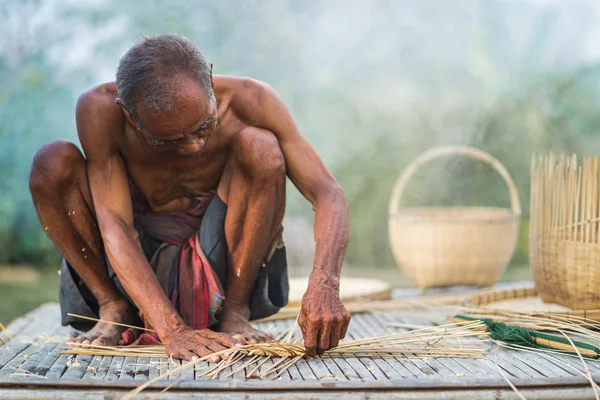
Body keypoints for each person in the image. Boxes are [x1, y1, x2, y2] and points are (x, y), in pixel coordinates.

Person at [29, 34, 351, 361]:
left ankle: (235, 313)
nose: (192, 147)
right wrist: (173, 331)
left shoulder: (252, 99)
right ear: (128, 115)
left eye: (203, 127)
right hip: (129, 264)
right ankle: (114, 307)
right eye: (166, 140)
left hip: (225, 262)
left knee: (262, 148)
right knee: (51, 162)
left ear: (209, 78)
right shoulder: (98, 111)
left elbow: (327, 192)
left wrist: (325, 282)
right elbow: (115, 224)